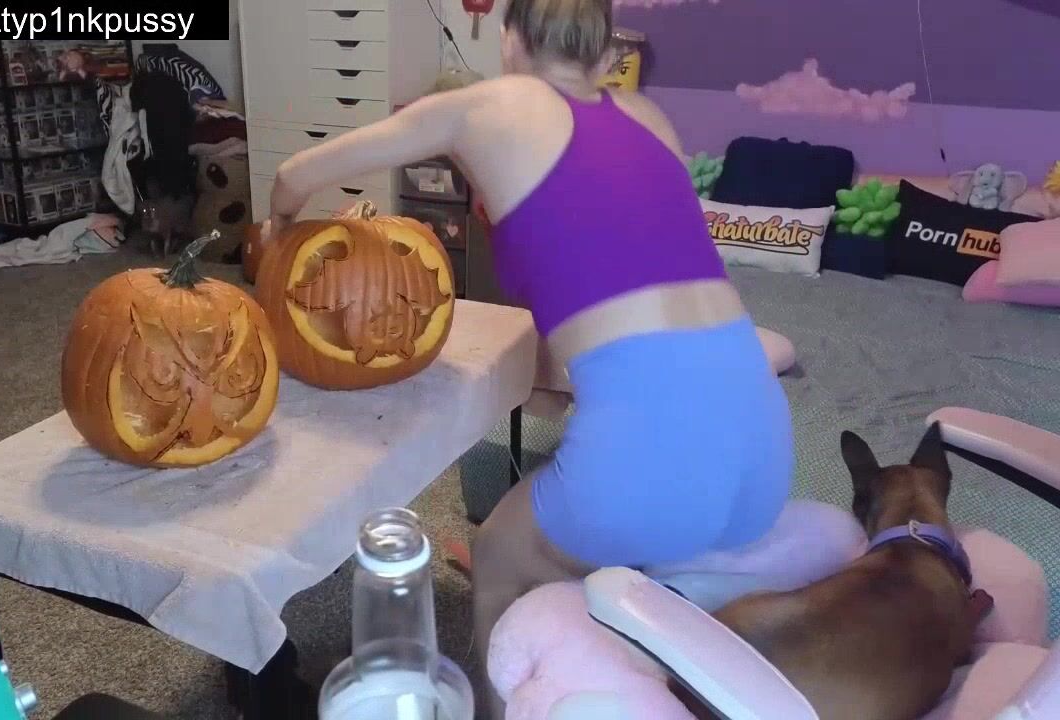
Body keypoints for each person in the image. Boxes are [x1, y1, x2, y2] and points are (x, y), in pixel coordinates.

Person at [264, 0, 794, 715]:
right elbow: (613, 277)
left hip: (646, 473)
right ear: (605, 53)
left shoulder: (486, 104)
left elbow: (296, 173)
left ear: (508, 38)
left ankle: (507, 667)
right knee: (593, 509)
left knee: (497, 554)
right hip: (764, 448)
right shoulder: (649, 118)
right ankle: (589, 575)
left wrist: (278, 228)